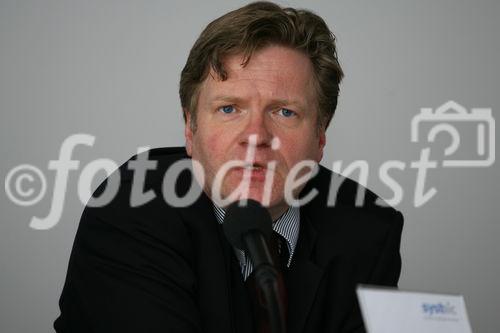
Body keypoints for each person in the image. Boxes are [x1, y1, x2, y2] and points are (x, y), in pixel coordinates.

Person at [54, 2, 403, 333]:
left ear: (320, 137)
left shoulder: (367, 231)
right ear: (190, 129)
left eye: (285, 112)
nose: (255, 137)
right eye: (229, 109)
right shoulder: (129, 211)